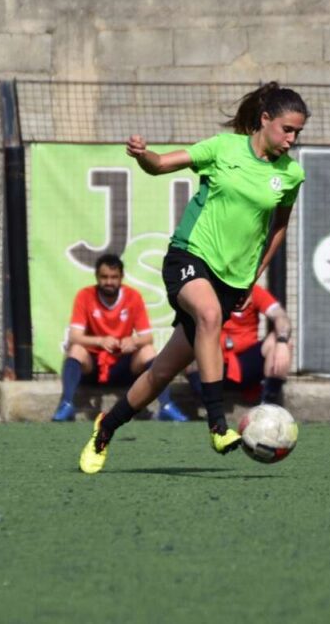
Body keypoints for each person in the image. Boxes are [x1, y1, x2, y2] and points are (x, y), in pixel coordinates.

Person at [79, 81, 309, 474]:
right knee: (207, 315)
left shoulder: (290, 175)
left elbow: (278, 229)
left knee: (162, 373)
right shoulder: (223, 148)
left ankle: (105, 428)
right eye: (287, 129)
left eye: (298, 133)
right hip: (189, 256)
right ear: (265, 119)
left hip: (232, 281)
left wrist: (254, 277)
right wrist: (142, 155)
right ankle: (218, 423)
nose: (291, 139)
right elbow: (161, 164)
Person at [52, 254, 189, 423]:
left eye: (114, 277)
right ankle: (66, 405)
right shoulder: (85, 295)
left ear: (121, 277)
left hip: (123, 366)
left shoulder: (133, 297)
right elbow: (74, 336)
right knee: (76, 350)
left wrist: (133, 341)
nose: (109, 282)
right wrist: (100, 341)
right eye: (104, 277)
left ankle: (166, 406)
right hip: (94, 366)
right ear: (97, 277)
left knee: (147, 351)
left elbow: (147, 337)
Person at [184, 284, 293, 406]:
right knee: (189, 343)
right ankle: (205, 405)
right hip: (214, 363)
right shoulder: (208, 293)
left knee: (281, 342)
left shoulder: (254, 291)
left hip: (245, 364)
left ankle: (269, 405)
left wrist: (282, 341)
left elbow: (281, 316)